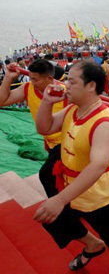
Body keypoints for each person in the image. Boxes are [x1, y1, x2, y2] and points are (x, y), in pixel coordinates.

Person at [33, 61, 109, 273]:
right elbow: (44, 127)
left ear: (91, 85)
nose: (66, 86)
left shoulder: (104, 123)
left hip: (103, 193)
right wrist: (46, 102)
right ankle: (92, 244)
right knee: (55, 220)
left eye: (72, 82)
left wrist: (60, 199)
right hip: (72, 185)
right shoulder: (74, 109)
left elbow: (98, 166)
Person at [0, 59, 67, 198]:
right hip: (50, 143)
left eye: (36, 79)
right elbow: (2, 101)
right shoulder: (28, 88)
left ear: (49, 78)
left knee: (47, 174)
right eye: (31, 78)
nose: (33, 83)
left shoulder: (64, 92)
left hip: (68, 142)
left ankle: (60, 206)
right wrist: (8, 78)